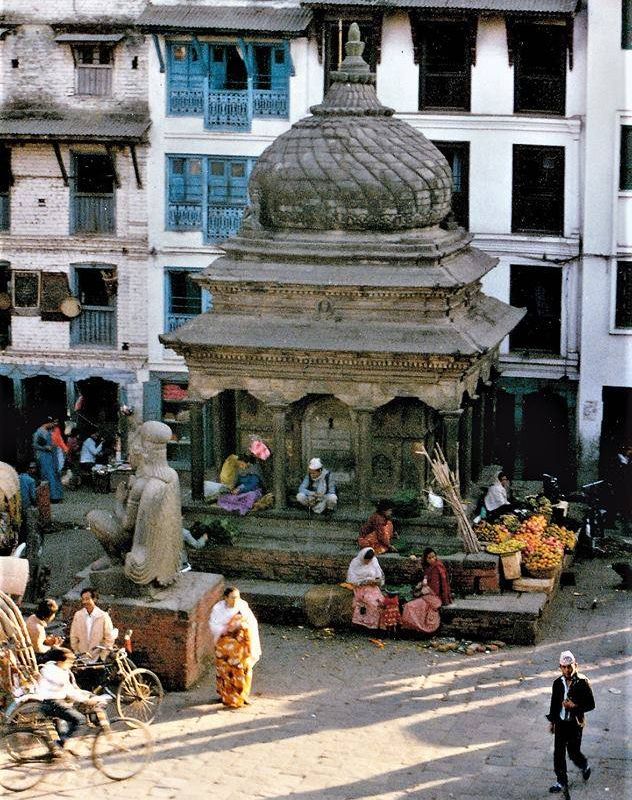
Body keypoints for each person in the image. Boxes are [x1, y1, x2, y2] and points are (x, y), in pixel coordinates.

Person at [546, 650, 595, 794]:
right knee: (558, 753)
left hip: (575, 724)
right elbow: (554, 704)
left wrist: (575, 706)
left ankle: (584, 765)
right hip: (561, 723)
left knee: (573, 752)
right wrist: (553, 722)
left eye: (570, 666)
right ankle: (561, 781)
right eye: (564, 667)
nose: (567, 670)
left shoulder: (583, 682)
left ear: (576, 665)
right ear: (560, 667)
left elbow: (591, 704)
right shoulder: (557, 683)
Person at [36, 647, 98, 753]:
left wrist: (84, 696)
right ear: (60, 661)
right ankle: (60, 744)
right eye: (69, 661)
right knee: (80, 720)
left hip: (51, 702)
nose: (71, 664)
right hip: (52, 703)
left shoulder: (52, 668)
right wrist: (86, 700)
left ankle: (58, 747)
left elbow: (70, 689)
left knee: (64, 725)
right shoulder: (56, 673)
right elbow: (69, 690)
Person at [209, 586, 261, 708]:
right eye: (232, 597)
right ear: (225, 598)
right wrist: (230, 628)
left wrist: (243, 627)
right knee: (225, 672)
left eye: (237, 597)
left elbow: (252, 623)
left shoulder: (243, 606)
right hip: (225, 647)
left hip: (241, 647)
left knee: (243, 670)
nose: (235, 600)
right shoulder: (218, 609)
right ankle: (225, 695)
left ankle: (243, 696)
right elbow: (214, 625)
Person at [401, 548, 452, 634]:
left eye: (433, 557)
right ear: (426, 559)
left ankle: (419, 629)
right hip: (428, 596)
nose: (432, 559)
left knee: (410, 606)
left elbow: (439, 587)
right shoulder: (429, 568)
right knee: (409, 606)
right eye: (429, 558)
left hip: (434, 597)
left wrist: (422, 591)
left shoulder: (437, 567)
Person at [69, 588, 115, 663]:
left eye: (87, 599)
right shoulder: (78, 615)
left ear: (94, 599)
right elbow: (73, 635)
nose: (84, 602)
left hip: (97, 657)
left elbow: (109, 637)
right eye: (83, 599)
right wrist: (77, 652)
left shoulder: (103, 616)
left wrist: (103, 656)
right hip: (82, 657)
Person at [346, 547, 386, 629]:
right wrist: (364, 582)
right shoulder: (355, 563)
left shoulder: (374, 561)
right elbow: (351, 580)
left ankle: (377, 625)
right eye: (366, 560)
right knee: (371, 603)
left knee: (380, 602)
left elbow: (379, 576)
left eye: (369, 560)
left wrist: (376, 581)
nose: (368, 562)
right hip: (360, 588)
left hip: (373, 588)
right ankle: (367, 624)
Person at [32, 418, 63, 502]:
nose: (54, 425)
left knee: (56, 474)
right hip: (44, 456)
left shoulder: (51, 431)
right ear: (47, 423)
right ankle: (51, 497)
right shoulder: (39, 432)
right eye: (52, 423)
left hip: (53, 456)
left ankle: (58, 495)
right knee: (48, 475)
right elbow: (34, 445)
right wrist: (44, 447)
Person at [18, 462, 38, 543]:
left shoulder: (16, 479)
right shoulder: (31, 481)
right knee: (29, 526)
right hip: (26, 505)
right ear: (28, 470)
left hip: (17, 506)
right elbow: (32, 496)